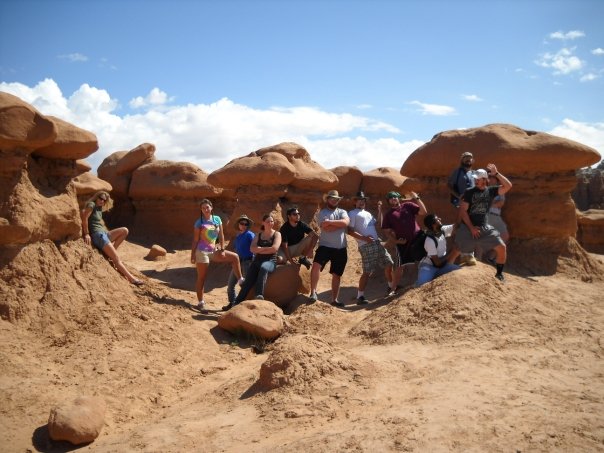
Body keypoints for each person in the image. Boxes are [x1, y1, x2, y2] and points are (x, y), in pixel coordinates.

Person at [456, 164, 512, 281]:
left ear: (485, 179)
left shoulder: (491, 191)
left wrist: (496, 173)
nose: (476, 180)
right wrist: (471, 228)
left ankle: (499, 273)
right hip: (468, 227)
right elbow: (463, 211)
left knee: (502, 247)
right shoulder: (469, 192)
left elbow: (508, 186)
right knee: (457, 251)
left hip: (484, 226)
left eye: (478, 179)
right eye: (475, 179)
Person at [190, 199, 244, 311]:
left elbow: (222, 235)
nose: (205, 209)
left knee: (234, 257)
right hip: (202, 251)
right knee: (202, 278)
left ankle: (240, 280)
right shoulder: (199, 222)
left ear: (211, 207)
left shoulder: (217, 219)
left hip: (214, 250)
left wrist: (223, 249)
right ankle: (201, 303)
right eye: (203, 208)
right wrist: (193, 254)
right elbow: (195, 240)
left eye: (207, 207)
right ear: (201, 210)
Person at [81, 191, 143, 286]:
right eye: (100, 198)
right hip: (98, 236)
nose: (102, 201)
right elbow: (84, 217)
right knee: (117, 259)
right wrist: (86, 234)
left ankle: (112, 251)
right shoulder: (92, 204)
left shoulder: (99, 208)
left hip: (104, 234)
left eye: (104, 200)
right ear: (97, 197)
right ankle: (132, 279)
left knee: (124, 230)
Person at [347, 191, 395, 305]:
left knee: (389, 263)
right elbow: (350, 231)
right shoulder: (352, 213)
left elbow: (378, 223)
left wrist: (379, 210)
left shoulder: (367, 213)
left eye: (363, 200)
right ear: (355, 201)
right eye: (359, 200)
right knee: (367, 271)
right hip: (366, 245)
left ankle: (390, 287)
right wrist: (364, 239)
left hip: (376, 243)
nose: (362, 201)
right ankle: (360, 297)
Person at [381, 190, 427, 293]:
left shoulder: (408, 205)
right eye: (390, 198)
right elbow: (386, 231)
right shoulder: (389, 215)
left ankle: (426, 282)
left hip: (418, 238)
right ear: (388, 201)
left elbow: (423, 212)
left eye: (395, 197)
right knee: (399, 266)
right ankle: (393, 289)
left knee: (425, 259)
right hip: (403, 243)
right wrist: (396, 241)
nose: (393, 199)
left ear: (398, 198)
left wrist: (417, 198)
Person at [309, 190, 350, 307]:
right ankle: (313, 292)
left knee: (337, 274)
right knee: (316, 266)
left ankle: (334, 299)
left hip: (340, 248)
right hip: (325, 246)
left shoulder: (343, 211)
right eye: (331, 198)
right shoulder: (322, 212)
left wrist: (331, 222)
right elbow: (325, 228)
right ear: (327, 200)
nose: (334, 200)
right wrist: (339, 224)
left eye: (336, 199)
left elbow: (346, 223)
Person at [232, 213, 282, 305]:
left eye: (272, 221)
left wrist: (259, 249)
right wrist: (266, 249)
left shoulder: (277, 234)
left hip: (270, 261)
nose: (270, 223)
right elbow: (252, 249)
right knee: (248, 281)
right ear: (263, 223)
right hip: (257, 260)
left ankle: (259, 295)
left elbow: (274, 249)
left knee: (263, 267)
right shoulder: (258, 235)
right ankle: (237, 302)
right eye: (268, 221)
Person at [448, 151, 477, 266]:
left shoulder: (474, 173)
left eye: (470, 158)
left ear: (473, 161)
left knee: (470, 227)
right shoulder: (457, 172)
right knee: (465, 226)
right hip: (461, 203)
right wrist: (458, 196)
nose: (468, 160)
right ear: (462, 160)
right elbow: (449, 186)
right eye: (466, 158)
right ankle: (466, 255)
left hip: (473, 204)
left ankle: (466, 255)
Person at [415, 214, 460, 287]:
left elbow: (456, 226)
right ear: (433, 224)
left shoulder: (442, 230)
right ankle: (420, 281)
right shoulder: (429, 241)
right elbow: (437, 263)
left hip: (442, 265)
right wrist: (451, 251)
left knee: (459, 272)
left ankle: (435, 276)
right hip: (429, 266)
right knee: (422, 285)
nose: (440, 219)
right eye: (437, 219)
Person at [224, 214, 255, 309]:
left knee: (246, 286)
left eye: (246, 224)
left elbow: (255, 246)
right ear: (239, 224)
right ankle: (233, 303)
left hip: (247, 262)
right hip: (237, 262)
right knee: (230, 285)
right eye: (242, 223)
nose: (244, 225)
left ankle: (246, 307)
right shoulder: (238, 236)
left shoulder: (250, 235)